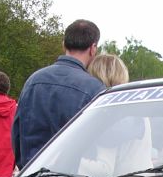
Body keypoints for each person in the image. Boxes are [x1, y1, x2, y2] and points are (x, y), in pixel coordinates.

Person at [12, 19, 104, 167]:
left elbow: (17, 134)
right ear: (93, 48)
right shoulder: (94, 89)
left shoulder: (33, 81)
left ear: (64, 44)